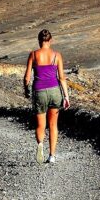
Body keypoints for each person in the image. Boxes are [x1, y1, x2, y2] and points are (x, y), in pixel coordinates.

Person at [23, 28, 70, 164]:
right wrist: (66, 97)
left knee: (40, 125)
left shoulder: (33, 55)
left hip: (39, 92)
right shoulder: (57, 55)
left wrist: (26, 90)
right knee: (53, 124)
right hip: (55, 91)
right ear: (50, 40)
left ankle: (40, 144)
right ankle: (52, 156)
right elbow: (62, 78)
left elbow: (27, 78)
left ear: (39, 41)